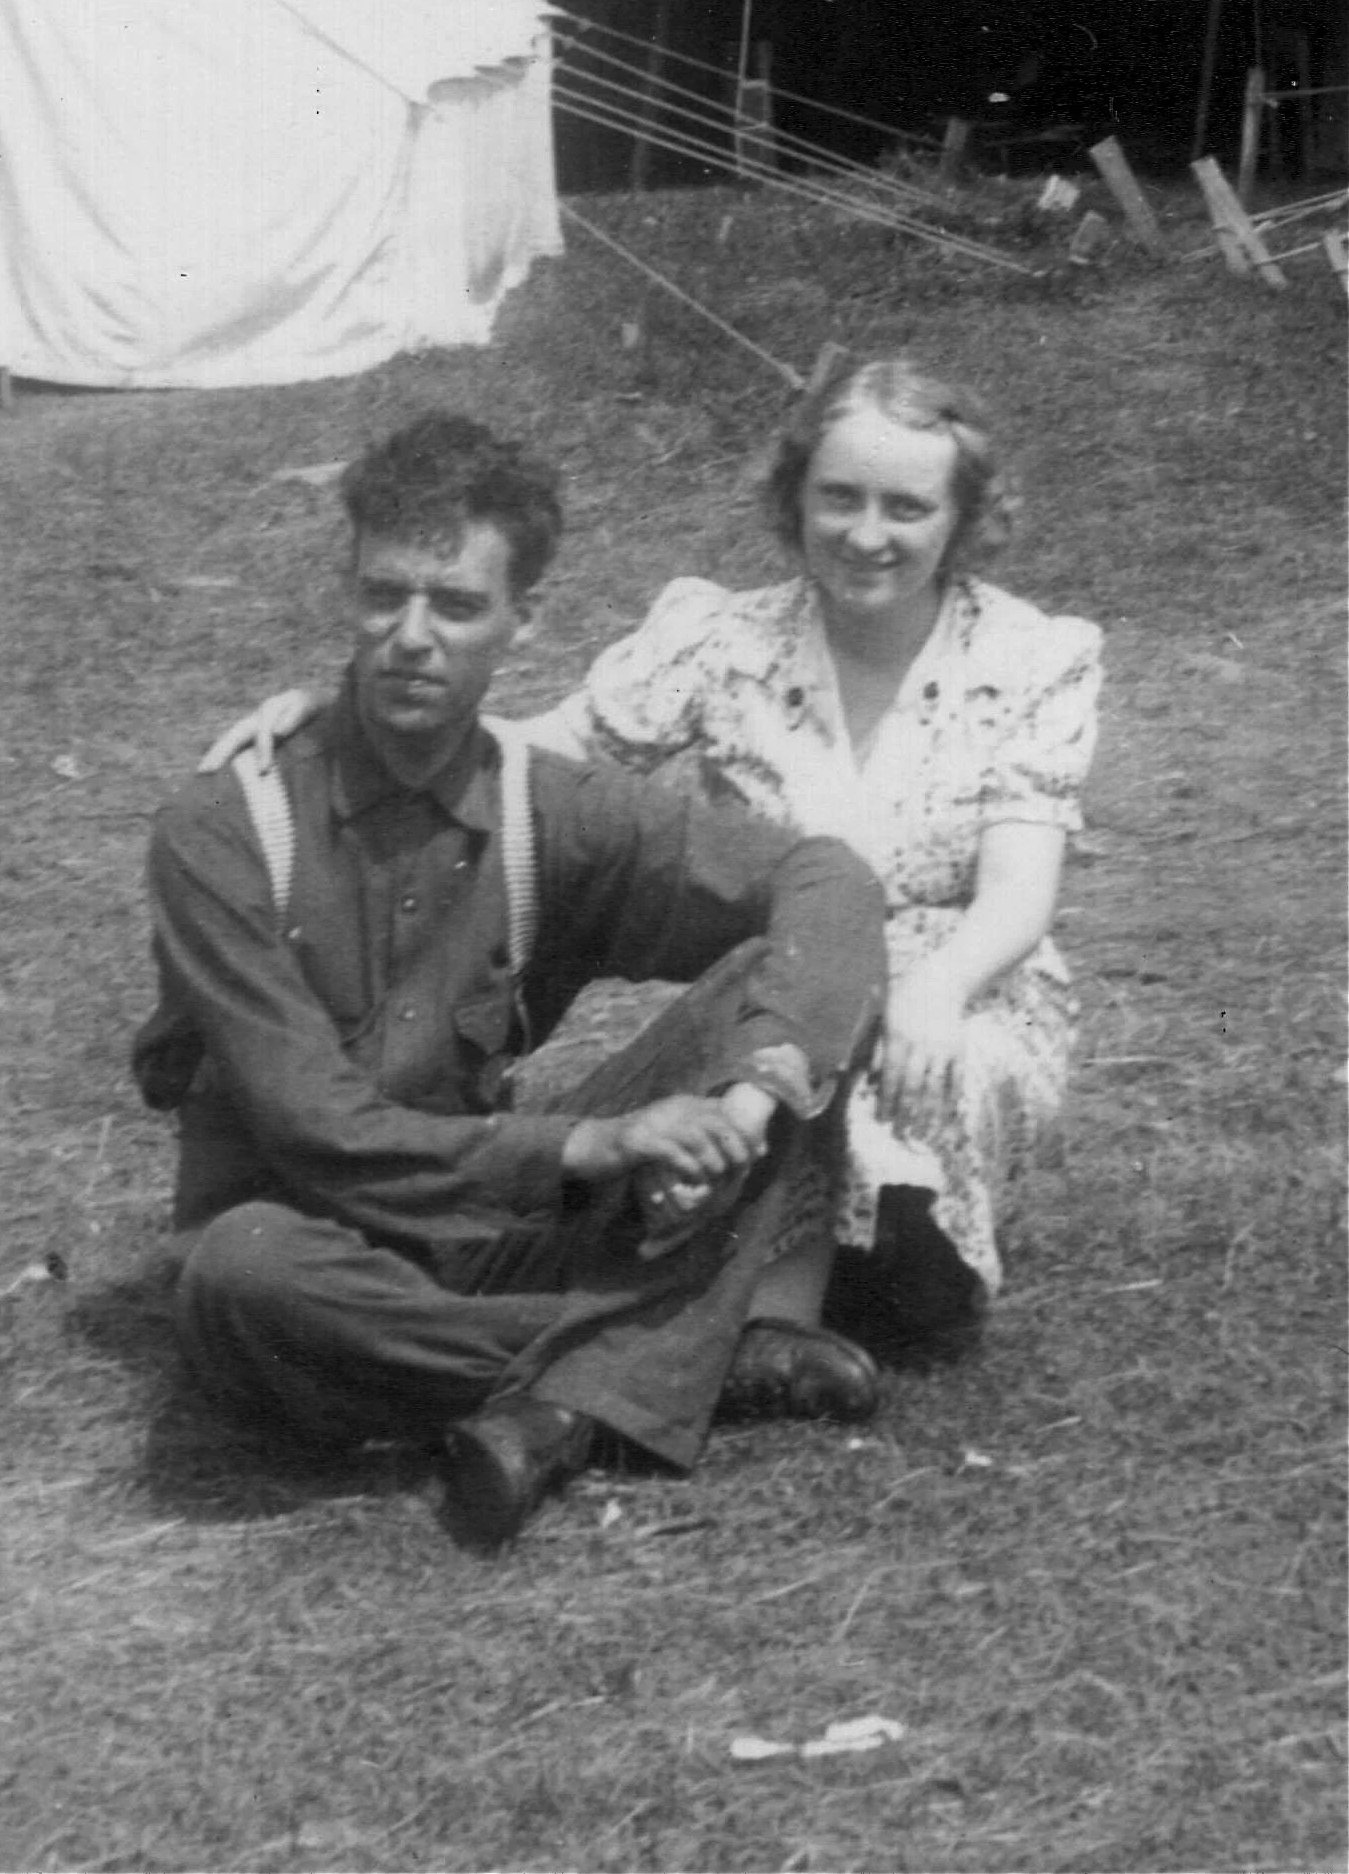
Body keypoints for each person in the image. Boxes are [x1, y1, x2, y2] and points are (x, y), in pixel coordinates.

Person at [209, 357, 1103, 1358]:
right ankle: (763, 1323)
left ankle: (866, 1266)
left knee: (907, 1086)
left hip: (959, 983)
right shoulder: (723, 638)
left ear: (959, 516)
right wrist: (357, 718)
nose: (865, 534)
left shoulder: (1031, 656)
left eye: (904, 507)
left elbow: (1018, 893)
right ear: (793, 494)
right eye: (837, 497)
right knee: (780, 1026)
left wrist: (930, 992)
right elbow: (547, 743)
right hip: (789, 968)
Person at [137, 411, 888, 1550]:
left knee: (776, 987)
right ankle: (680, 1360)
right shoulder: (223, 826)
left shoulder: (549, 806)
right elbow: (314, 1130)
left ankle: (570, 1385)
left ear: (520, 622)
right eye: (381, 595)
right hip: (309, 1244)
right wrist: (593, 1146)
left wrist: (742, 1099)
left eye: (454, 605)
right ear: (344, 592)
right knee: (243, 1276)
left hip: (488, 1230)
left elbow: (823, 880)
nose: (408, 637)